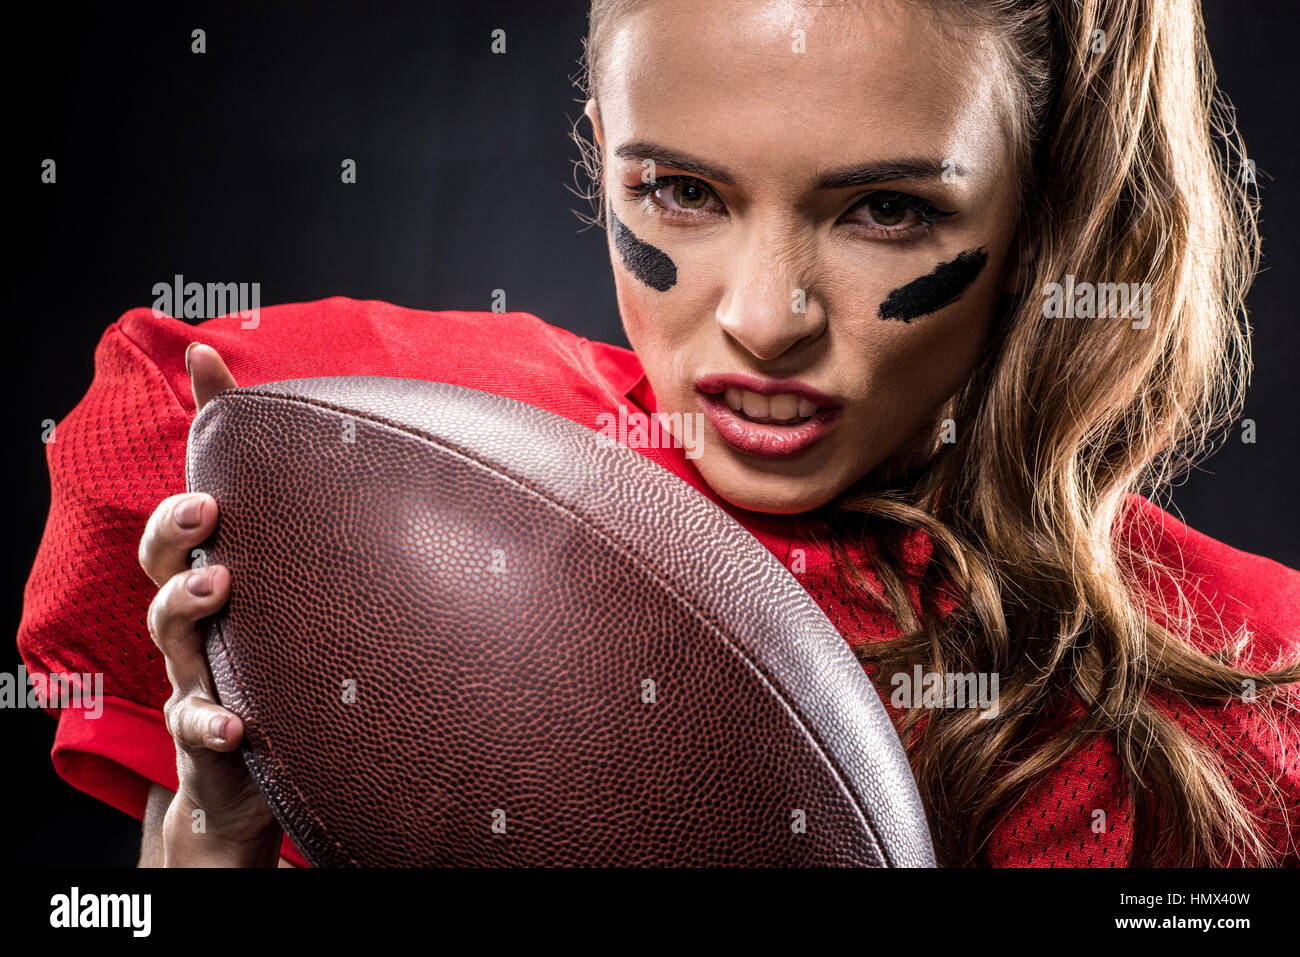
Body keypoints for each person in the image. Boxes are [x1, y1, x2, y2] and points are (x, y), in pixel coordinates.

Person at [18, 0, 1300, 867]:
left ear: (1047, 210)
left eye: (887, 212)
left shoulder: (1248, 695)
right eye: (680, 192)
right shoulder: (363, 460)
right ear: (603, 153)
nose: (762, 321)